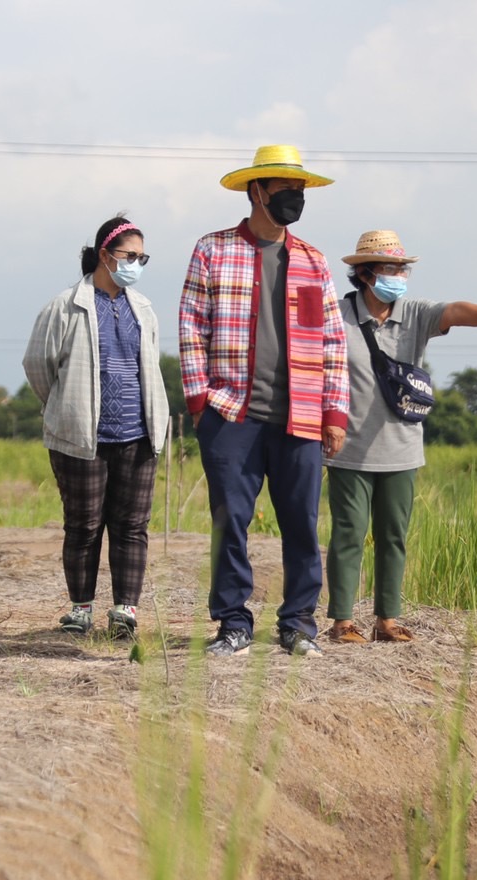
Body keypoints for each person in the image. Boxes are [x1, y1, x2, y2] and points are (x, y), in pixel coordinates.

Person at [178, 145, 348, 658]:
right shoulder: (213, 250)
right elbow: (191, 326)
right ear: (257, 192)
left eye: (300, 192)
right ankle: (233, 622)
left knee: (301, 522)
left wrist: (333, 413)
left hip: (300, 416)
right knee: (230, 518)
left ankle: (297, 623)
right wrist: (199, 402)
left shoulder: (314, 261)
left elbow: (333, 344)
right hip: (231, 413)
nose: (294, 200)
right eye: (284, 191)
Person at [325, 230, 477, 643]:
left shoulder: (414, 313)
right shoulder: (338, 315)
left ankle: (387, 619)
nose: (399, 276)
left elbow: (455, 310)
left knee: (393, 535)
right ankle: (342, 621)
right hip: (348, 447)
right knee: (348, 533)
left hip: (402, 445)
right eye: (390, 268)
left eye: (403, 268)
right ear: (365, 273)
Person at [23, 217, 171, 641]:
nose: (137, 264)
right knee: (84, 525)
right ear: (106, 255)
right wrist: (64, 406)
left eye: (142, 257)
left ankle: (125, 609)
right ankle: (80, 608)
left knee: (131, 525)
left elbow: (150, 368)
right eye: (130, 255)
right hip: (81, 436)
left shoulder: (142, 308)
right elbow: (38, 365)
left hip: (137, 434)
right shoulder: (65, 306)